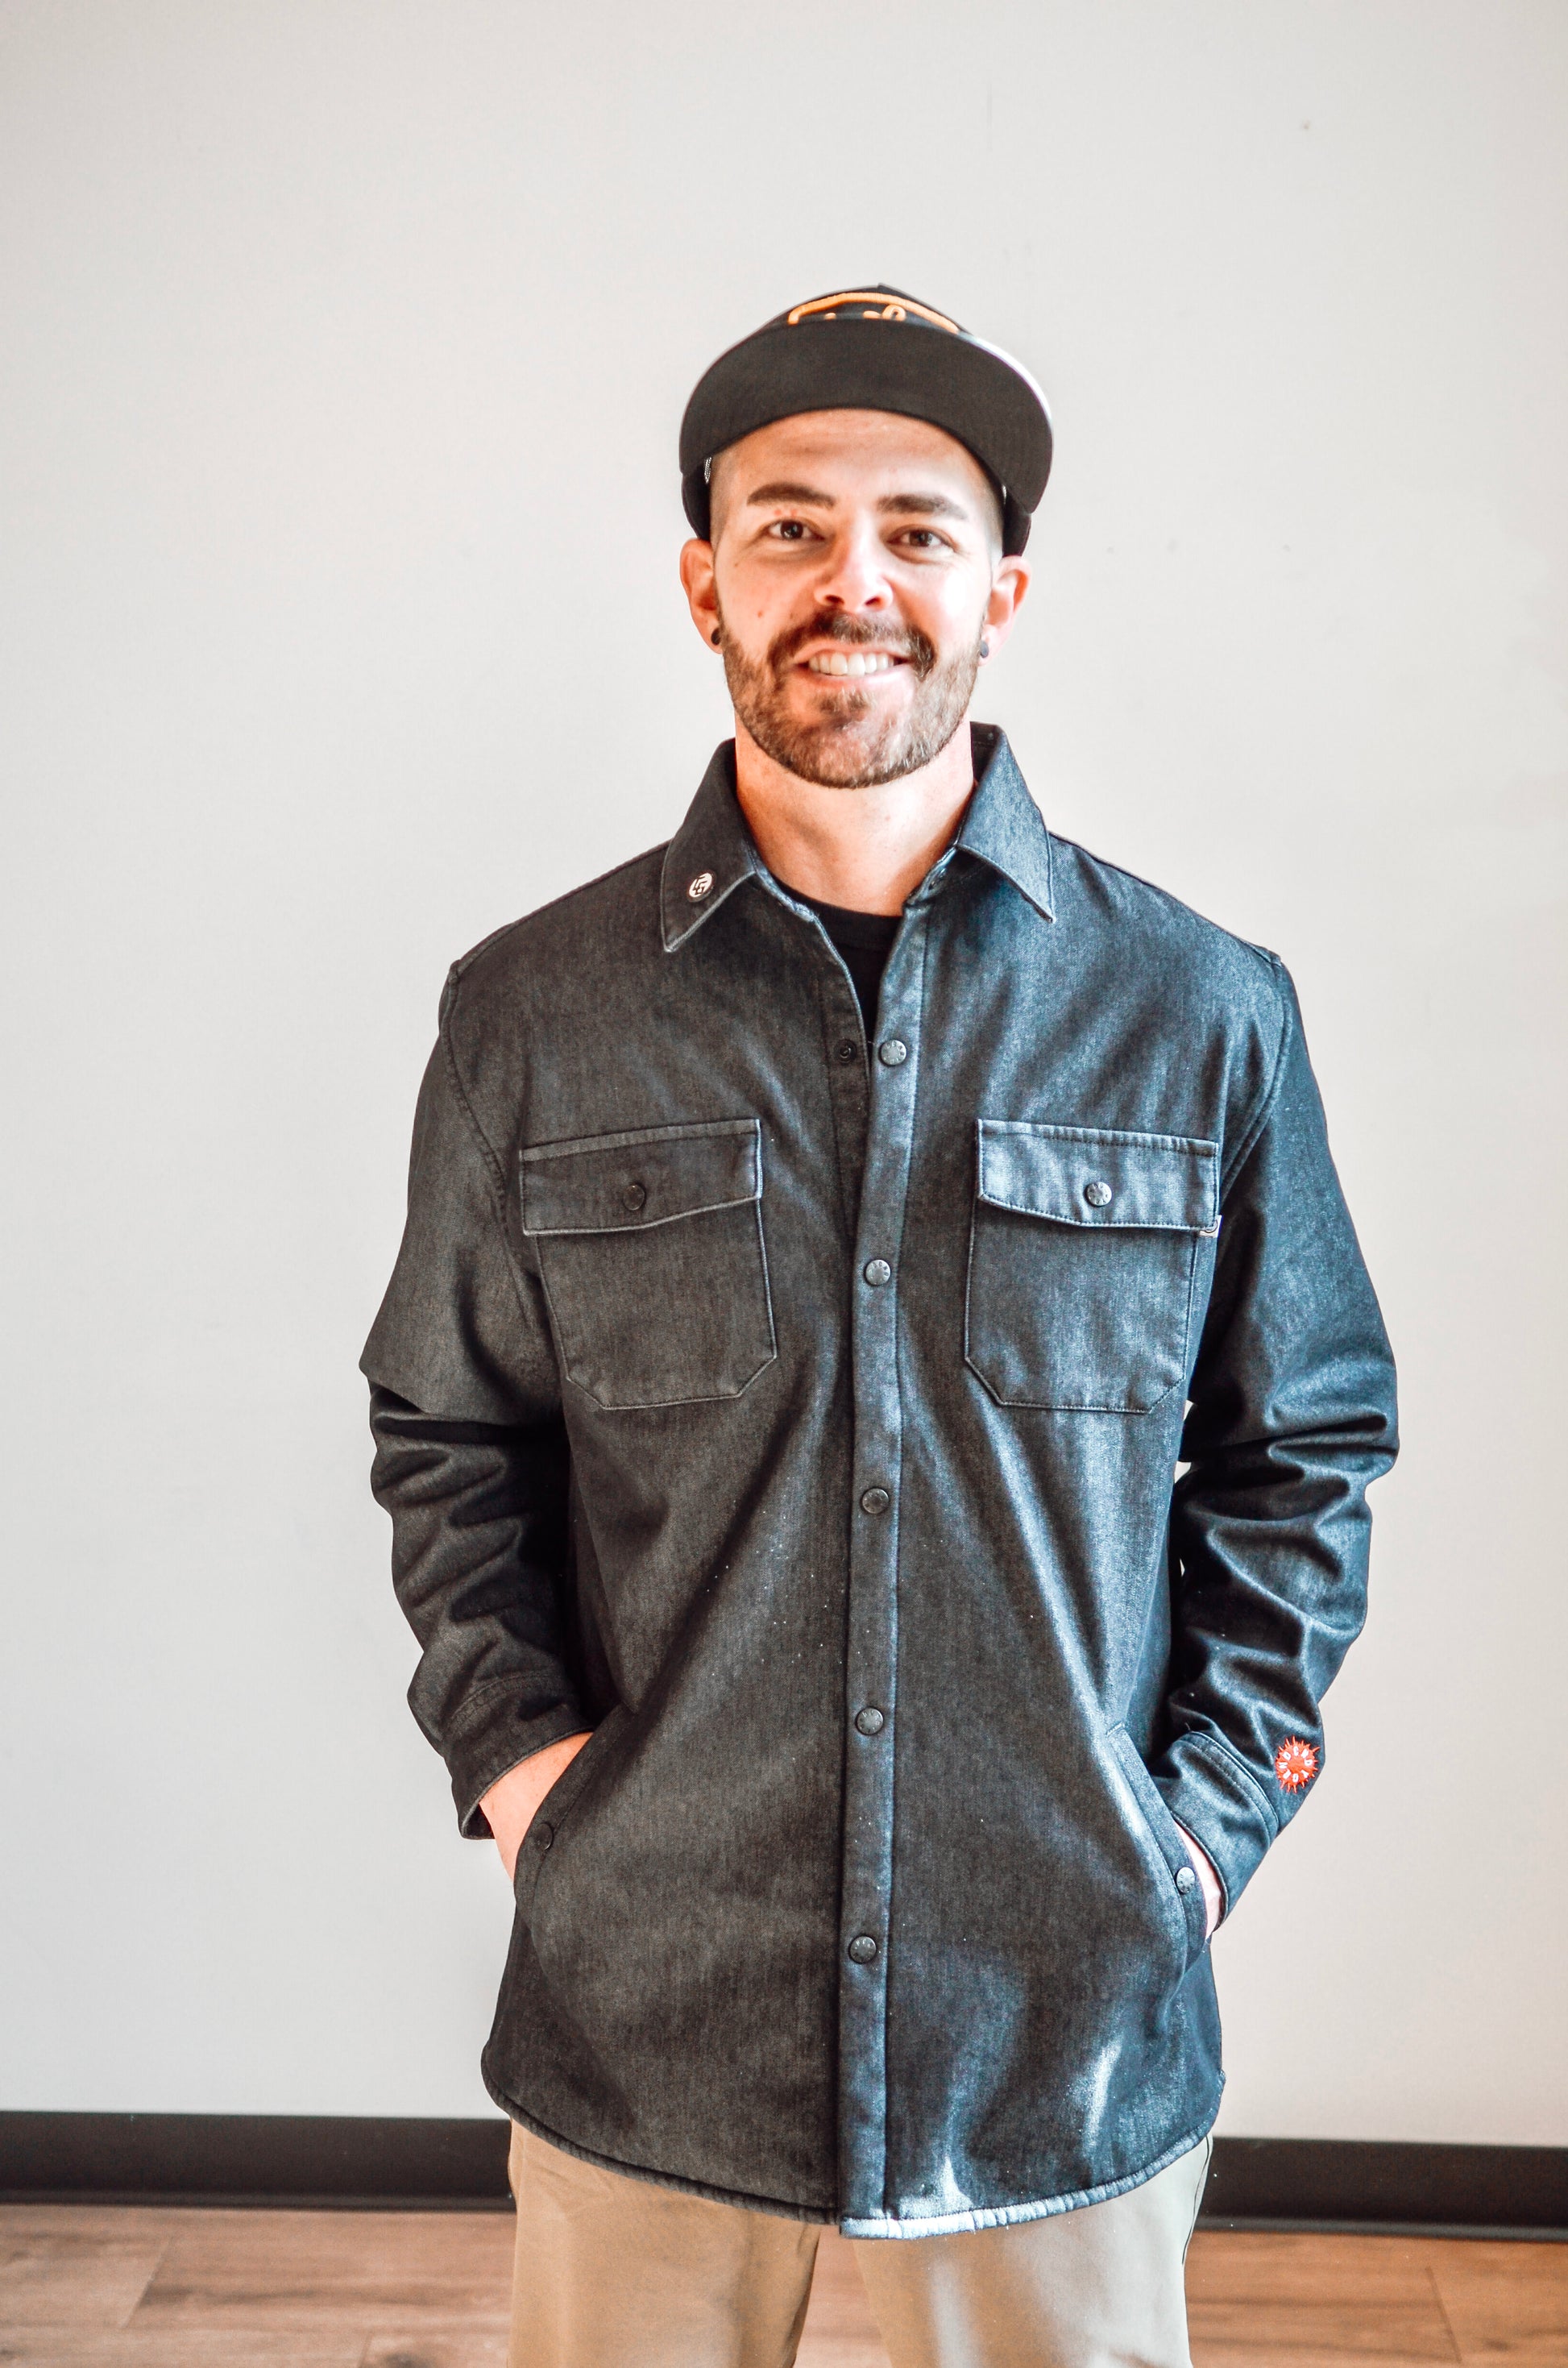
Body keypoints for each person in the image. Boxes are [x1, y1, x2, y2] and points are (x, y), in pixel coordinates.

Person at [362, 285, 1397, 2368]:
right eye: (789, 525)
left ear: (1001, 585)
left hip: (1062, 2025)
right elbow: (450, 1428)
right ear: (700, 582)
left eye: (917, 528)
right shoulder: (533, 1012)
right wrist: (522, 1768)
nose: (857, 582)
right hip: (649, 2010)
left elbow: (1303, 1450)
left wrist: (1198, 1827)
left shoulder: (1200, 1011)